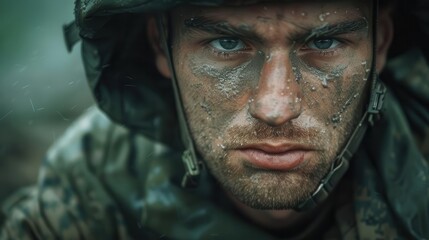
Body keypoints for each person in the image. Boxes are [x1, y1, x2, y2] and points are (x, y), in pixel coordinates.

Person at [1, 0, 428, 239]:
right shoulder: (97, 180)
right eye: (226, 44)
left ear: (380, 41)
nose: (275, 107)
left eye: (326, 41)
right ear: (160, 42)